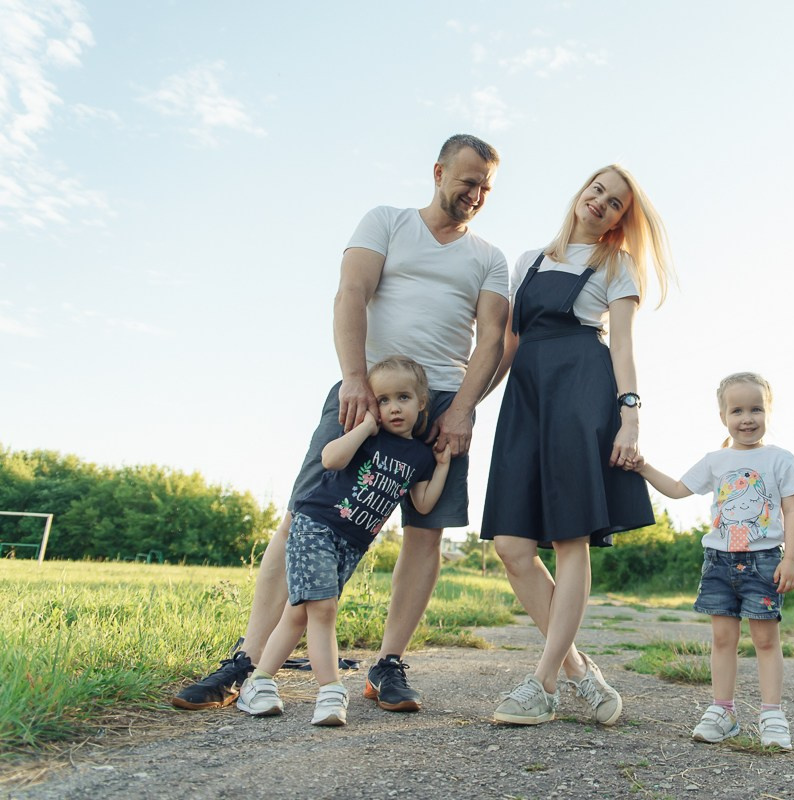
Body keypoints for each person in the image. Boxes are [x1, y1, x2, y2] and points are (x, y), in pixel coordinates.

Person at [171, 134, 509, 713]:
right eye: (468, 180)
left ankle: (388, 664)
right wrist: (353, 379)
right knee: (301, 517)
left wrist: (461, 412)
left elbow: (493, 340)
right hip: (367, 390)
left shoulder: (488, 258)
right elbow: (351, 293)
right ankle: (246, 660)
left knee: (424, 532)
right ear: (438, 171)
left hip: (442, 402)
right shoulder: (386, 221)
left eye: (486, 187)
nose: (475, 194)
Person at [480, 164, 674, 726]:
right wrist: (470, 405)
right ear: (581, 191)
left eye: (614, 204)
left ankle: (540, 684)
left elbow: (623, 347)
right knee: (512, 547)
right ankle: (580, 674)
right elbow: (510, 344)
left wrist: (630, 418)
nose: (601, 204)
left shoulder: (617, 264)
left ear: (620, 220)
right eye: (598, 191)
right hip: (526, 400)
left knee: (570, 539)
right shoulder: (531, 261)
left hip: (580, 394)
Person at [236, 357, 450, 726]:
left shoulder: (419, 457)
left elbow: (424, 502)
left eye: (403, 397)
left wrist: (443, 464)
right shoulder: (369, 436)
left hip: (351, 545)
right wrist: (365, 427)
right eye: (383, 400)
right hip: (316, 525)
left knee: (298, 612)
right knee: (323, 609)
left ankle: (259, 682)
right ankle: (331, 691)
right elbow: (331, 459)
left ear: (421, 403)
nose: (393, 407)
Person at [634, 372, 794, 750]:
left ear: (768, 412)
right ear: (723, 416)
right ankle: (723, 711)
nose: (747, 418)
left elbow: (791, 512)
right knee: (722, 638)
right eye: (738, 410)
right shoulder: (716, 460)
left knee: (765, 639)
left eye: (756, 409)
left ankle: (772, 714)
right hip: (719, 562)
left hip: (764, 561)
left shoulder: (780, 459)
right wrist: (643, 467)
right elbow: (679, 490)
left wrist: (791, 558)